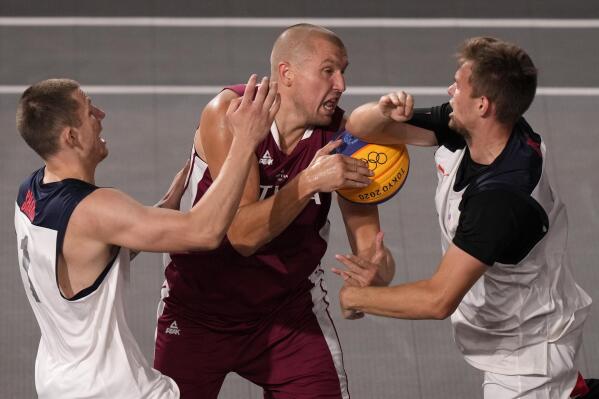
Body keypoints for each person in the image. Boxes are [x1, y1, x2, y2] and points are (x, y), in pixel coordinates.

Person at [334, 36, 593, 398]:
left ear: (483, 105)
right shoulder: (476, 131)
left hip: (528, 361)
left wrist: (355, 298)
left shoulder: (500, 201)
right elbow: (358, 127)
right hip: (518, 333)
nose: (449, 90)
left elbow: (438, 298)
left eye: (458, 85)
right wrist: (382, 111)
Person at [154, 24, 395, 399]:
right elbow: (242, 236)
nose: (341, 85)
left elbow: (373, 251)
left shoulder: (343, 140)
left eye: (344, 72)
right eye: (329, 71)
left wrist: (376, 274)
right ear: (286, 74)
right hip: (198, 310)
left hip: (287, 315)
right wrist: (308, 181)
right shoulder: (231, 114)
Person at [14, 75, 279, 398]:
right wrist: (244, 142)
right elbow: (204, 232)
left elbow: (88, 255)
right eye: (88, 111)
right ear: (70, 136)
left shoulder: (31, 193)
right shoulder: (93, 209)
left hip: (58, 380)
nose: (101, 115)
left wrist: (162, 209)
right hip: (109, 389)